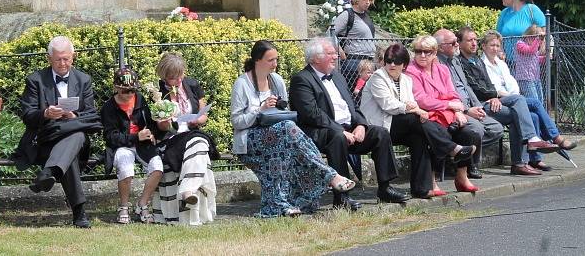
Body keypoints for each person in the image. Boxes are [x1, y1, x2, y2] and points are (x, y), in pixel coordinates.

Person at [231, 40, 355, 217]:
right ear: (257, 60)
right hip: (251, 140)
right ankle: (330, 175)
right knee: (288, 127)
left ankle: (282, 206)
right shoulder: (242, 83)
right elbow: (236, 122)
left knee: (284, 140)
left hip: (279, 137)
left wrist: (278, 109)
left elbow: (285, 111)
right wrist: (260, 110)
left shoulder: (277, 80)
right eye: (270, 60)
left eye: (276, 59)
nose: (275, 64)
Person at [289, 38, 407, 211]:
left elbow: (353, 105)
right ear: (315, 58)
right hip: (322, 132)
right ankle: (342, 197)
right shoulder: (302, 79)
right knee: (337, 138)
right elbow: (312, 114)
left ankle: (385, 188)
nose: (336, 57)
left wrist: (361, 125)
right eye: (330, 54)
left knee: (380, 133)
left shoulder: (337, 76)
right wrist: (339, 130)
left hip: (349, 128)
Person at [361, 43, 475, 198]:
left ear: (404, 64)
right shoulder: (378, 77)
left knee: (419, 137)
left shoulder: (406, 80)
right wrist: (415, 109)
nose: (392, 65)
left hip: (400, 123)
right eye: (388, 61)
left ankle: (421, 188)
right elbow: (389, 105)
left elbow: (410, 102)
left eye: (397, 61)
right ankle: (452, 149)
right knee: (416, 119)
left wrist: (413, 108)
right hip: (379, 125)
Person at [13, 36, 102, 228]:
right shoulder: (35, 80)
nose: (63, 63)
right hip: (45, 142)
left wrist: (74, 115)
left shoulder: (83, 79)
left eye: (67, 59)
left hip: (75, 141)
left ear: (74, 57)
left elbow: (91, 114)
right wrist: (45, 113)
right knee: (69, 152)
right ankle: (79, 213)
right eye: (58, 59)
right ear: (49, 59)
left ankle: (49, 172)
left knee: (76, 136)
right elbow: (27, 115)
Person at [455, 27, 558, 176]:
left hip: (492, 101)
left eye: (475, 40)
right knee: (520, 101)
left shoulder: (477, 60)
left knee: (525, 114)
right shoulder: (461, 62)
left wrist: (494, 96)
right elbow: (474, 87)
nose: (473, 43)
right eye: (469, 40)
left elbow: (488, 84)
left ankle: (521, 162)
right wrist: (494, 95)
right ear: (460, 43)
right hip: (480, 105)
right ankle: (528, 148)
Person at [480, 30, 576, 172]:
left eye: (497, 45)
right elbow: (490, 88)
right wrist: (507, 95)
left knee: (534, 116)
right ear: (484, 46)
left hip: (511, 98)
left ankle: (533, 160)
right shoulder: (481, 64)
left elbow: (512, 84)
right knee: (535, 103)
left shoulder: (501, 64)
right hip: (496, 100)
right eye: (492, 45)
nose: (495, 48)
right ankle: (556, 138)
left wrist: (511, 95)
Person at [405, 36, 482, 194]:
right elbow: (421, 99)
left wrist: (458, 111)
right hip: (427, 115)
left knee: (470, 133)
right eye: (418, 51)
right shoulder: (411, 71)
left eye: (426, 52)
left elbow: (453, 93)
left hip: (448, 114)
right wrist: (448, 104)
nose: (422, 55)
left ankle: (462, 177)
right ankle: (431, 180)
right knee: (440, 135)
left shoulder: (442, 69)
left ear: (434, 53)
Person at [151, 52, 217, 225]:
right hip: (172, 138)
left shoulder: (192, 84)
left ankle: (188, 190)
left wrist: (197, 119)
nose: (178, 80)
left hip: (192, 131)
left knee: (199, 142)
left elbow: (204, 115)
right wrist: (165, 122)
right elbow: (161, 128)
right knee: (200, 145)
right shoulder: (158, 92)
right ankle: (189, 193)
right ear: (164, 76)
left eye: (180, 75)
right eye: (173, 78)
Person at [434, 28, 504, 179]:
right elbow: (446, 94)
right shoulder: (437, 64)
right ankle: (471, 164)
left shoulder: (455, 61)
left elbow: (466, 87)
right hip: (455, 111)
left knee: (496, 129)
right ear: (440, 47)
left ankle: (460, 151)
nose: (457, 45)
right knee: (476, 130)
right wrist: (466, 110)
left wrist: (477, 105)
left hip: (471, 106)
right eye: (453, 43)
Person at [101, 67, 166, 224]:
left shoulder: (140, 99)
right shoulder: (108, 107)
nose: (129, 94)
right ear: (116, 88)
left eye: (132, 90)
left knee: (158, 168)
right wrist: (135, 136)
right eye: (125, 91)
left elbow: (150, 122)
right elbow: (111, 137)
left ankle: (142, 204)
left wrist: (153, 134)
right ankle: (123, 206)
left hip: (143, 144)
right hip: (122, 146)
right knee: (126, 168)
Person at [334, 0, 377, 90]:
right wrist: (340, 50)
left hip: (368, 62)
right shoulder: (347, 15)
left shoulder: (366, 15)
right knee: (354, 94)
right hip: (354, 62)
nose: (368, 2)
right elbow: (330, 33)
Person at [496, 0, 547, 67]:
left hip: (530, 63)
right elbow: (498, 36)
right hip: (509, 63)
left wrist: (542, 52)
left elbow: (544, 33)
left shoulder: (532, 9)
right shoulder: (504, 13)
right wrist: (500, 53)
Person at [514, 25, 547, 105]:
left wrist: (546, 58)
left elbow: (535, 59)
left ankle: (540, 117)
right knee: (534, 101)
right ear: (529, 36)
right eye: (535, 38)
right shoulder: (520, 44)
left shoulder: (533, 46)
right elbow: (530, 51)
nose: (537, 42)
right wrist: (538, 39)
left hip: (535, 78)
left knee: (540, 101)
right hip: (525, 79)